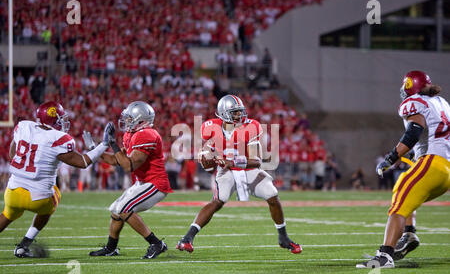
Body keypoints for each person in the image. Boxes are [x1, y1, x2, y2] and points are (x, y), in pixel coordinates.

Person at [176, 94, 302, 254]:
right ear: (223, 113)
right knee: (218, 200)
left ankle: (283, 237)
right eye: (235, 112)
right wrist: (207, 159)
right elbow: (208, 166)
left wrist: (233, 162)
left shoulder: (251, 127)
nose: (239, 115)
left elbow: (256, 161)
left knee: (272, 195)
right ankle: (187, 238)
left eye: (240, 111)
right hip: (226, 172)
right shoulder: (210, 128)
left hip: (248, 170)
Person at [357, 70, 450, 268]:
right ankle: (408, 234)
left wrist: (391, 158)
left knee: (399, 200)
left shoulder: (414, 102)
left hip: (432, 163)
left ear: (409, 86)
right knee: (405, 192)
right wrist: (414, 153)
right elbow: (432, 134)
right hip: (445, 167)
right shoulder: (441, 103)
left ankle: (385, 255)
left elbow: (414, 131)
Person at [0, 101, 109, 258]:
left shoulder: (23, 127)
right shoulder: (58, 138)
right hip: (39, 198)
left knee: (7, 215)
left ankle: (22, 243)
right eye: (60, 119)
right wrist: (103, 145)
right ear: (54, 120)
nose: (63, 123)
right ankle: (24, 244)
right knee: (55, 194)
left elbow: (12, 155)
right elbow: (83, 162)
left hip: (12, 193)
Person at [88, 101, 173, 259]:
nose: (126, 121)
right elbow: (116, 160)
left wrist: (112, 144)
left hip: (155, 184)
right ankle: (111, 248)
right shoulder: (132, 134)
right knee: (116, 210)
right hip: (142, 182)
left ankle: (156, 243)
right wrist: (95, 151)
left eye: (129, 118)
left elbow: (128, 166)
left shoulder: (147, 135)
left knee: (124, 209)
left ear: (141, 120)